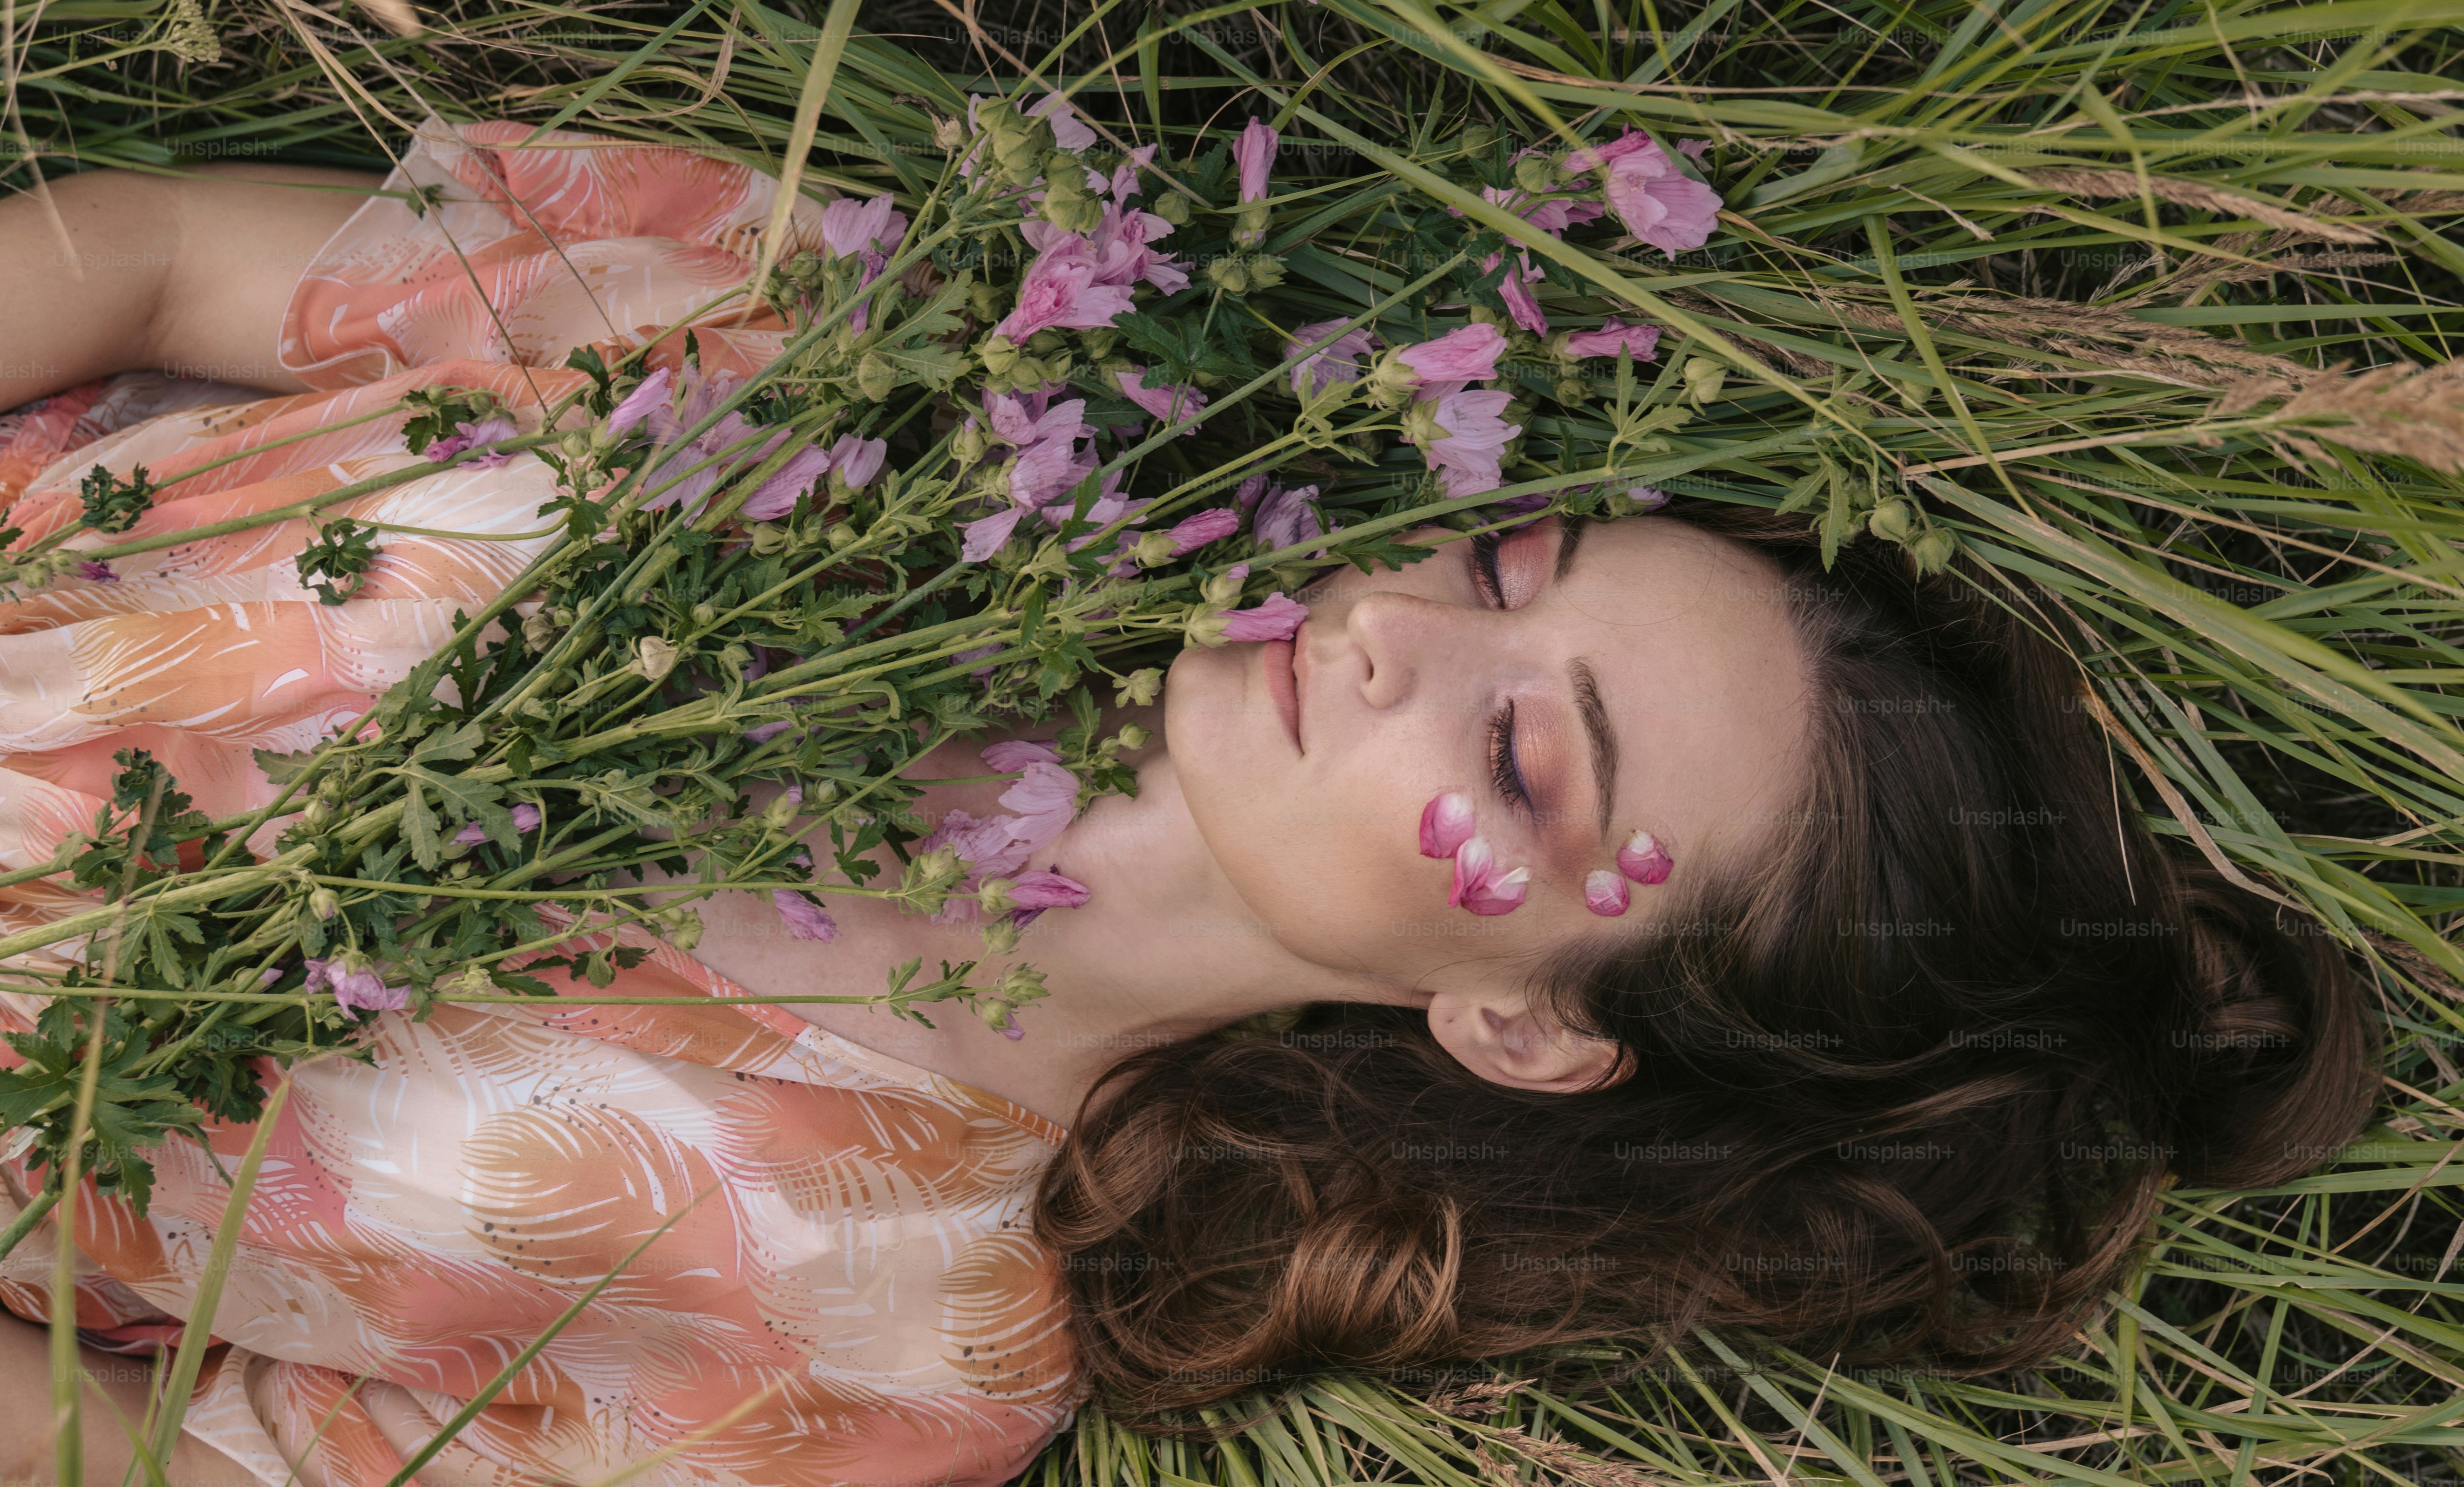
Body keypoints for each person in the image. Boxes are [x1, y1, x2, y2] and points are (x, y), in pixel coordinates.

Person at [0, 118, 2378, 1485]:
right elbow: (158, 257)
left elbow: (173, 1462)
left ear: (1530, 1024)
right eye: (1498, 559)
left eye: (1524, 752)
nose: (1392, 625)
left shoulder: (915, 1349)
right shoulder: (866, 385)